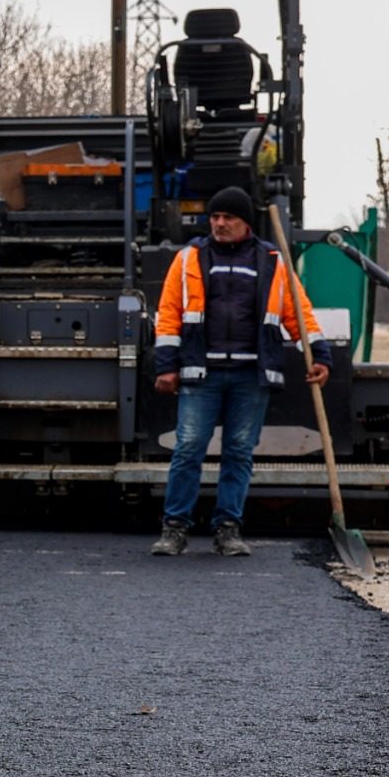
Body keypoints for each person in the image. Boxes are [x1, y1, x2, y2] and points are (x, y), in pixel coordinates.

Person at [151, 184, 331, 556]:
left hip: (251, 376)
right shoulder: (188, 258)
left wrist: (320, 356)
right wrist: (166, 366)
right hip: (200, 373)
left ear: (245, 222)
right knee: (188, 449)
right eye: (215, 217)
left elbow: (298, 313)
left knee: (238, 453)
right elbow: (168, 314)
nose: (219, 223)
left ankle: (227, 530)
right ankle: (174, 529)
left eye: (228, 217)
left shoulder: (272, 261)